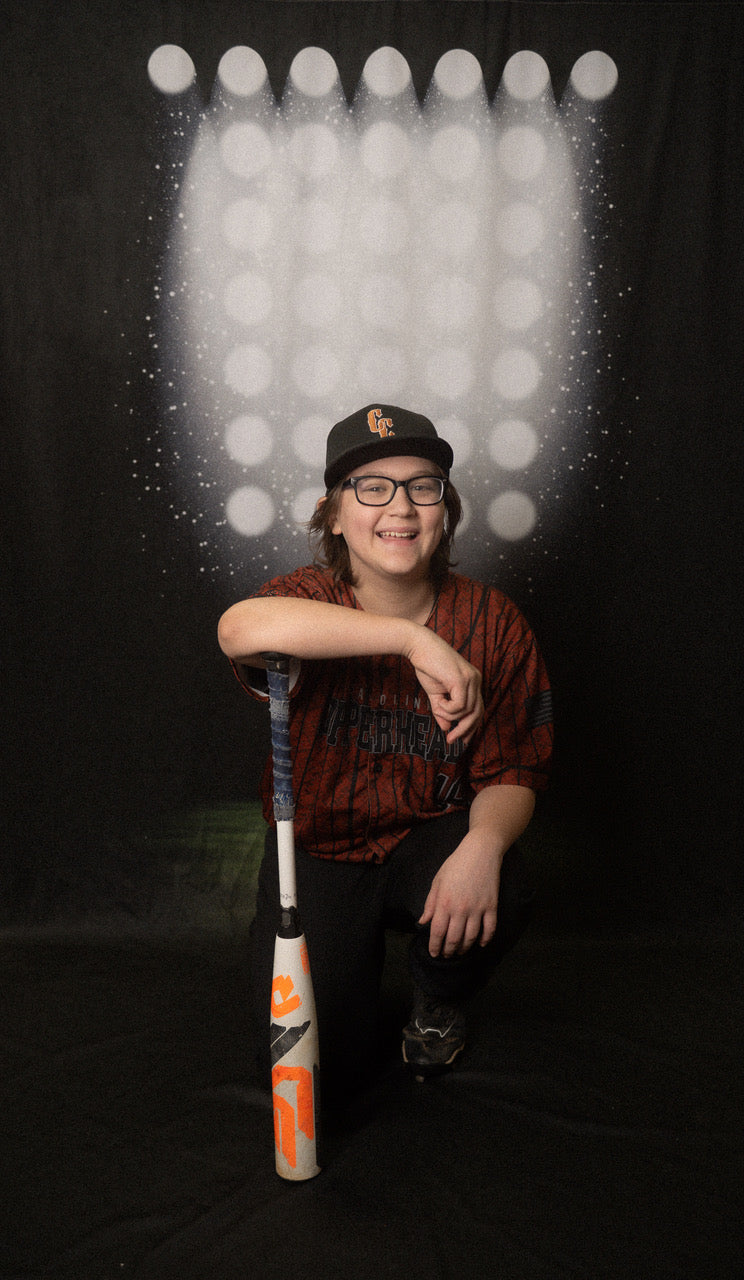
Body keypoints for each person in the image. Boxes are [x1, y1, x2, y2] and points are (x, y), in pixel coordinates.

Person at [218, 404, 553, 1096]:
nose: (400, 506)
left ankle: (437, 995)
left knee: (504, 877)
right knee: (322, 1077)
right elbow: (238, 628)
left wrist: (482, 848)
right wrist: (410, 639)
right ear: (335, 515)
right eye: (372, 487)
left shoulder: (492, 621)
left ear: (444, 509)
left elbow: (515, 767)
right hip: (321, 853)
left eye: (422, 486)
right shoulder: (305, 599)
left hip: (424, 841)